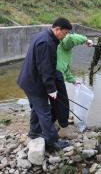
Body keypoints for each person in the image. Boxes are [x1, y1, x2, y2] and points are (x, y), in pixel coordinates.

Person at [17, 17, 72, 152]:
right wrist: (51, 89)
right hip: (34, 83)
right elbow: (45, 69)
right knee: (45, 111)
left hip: (29, 80)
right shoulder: (46, 43)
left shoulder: (45, 36)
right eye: (64, 33)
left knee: (37, 108)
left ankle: (35, 132)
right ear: (57, 29)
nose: (65, 37)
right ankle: (52, 142)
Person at [52, 33, 93, 129]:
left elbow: (65, 68)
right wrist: (86, 40)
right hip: (55, 75)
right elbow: (71, 38)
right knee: (63, 102)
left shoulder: (64, 51)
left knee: (56, 101)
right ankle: (64, 126)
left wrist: (74, 81)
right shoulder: (64, 43)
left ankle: (52, 122)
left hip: (57, 75)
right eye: (65, 32)